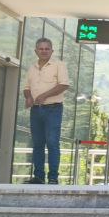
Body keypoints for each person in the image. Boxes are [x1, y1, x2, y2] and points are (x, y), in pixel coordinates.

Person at [23, 38, 69, 185]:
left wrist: (44, 95)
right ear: (36, 51)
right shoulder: (32, 68)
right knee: (37, 143)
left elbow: (64, 85)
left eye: (47, 48)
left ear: (52, 51)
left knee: (52, 142)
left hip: (53, 109)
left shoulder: (59, 65)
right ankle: (38, 177)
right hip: (36, 110)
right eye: (41, 49)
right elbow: (26, 88)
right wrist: (28, 97)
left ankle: (53, 177)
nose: (44, 51)